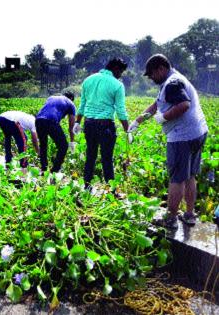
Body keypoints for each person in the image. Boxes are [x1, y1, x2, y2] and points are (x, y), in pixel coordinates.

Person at [128, 54, 208, 229]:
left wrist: (163, 118)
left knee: (177, 178)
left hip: (182, 136)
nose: (150, 78)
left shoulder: (172, 83)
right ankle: (189, 214)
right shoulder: (172, 80)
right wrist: (138, 121)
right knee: (190, 176)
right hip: (197, 133)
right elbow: (157, 104)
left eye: (151, 74)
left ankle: (171, 219)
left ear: (161, 69)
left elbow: (184, 105)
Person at [75, 58, 129, 190]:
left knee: (90, 156)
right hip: (105, 125)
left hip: (89, 124)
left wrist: (77, 122)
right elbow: (121, 110)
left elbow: (82, 105)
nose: (120, 75)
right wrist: (127, 130)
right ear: (115, 68)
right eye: (120, 71)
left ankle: (86, 187)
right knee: (107, 158)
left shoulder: (88, 80)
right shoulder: (117, 85)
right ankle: (111, 191)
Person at [35, 91, 76, 173]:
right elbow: (71, 127)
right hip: (51, 121)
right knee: (63, 146)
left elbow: (49, 110)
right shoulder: (71, 104)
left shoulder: (51, 97)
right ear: (71, 99)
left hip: (38, 119)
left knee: (43, 145)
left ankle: (44, 168)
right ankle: (55, 170)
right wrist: (72, 142)